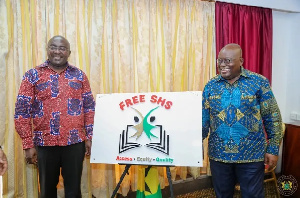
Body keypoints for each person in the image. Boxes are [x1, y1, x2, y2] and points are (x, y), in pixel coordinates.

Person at [14, 35, 95, 198]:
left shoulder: (80, 76)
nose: (57, 51)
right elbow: (22, 111)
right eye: (53, 47)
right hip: (44, 144)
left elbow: (89, 108)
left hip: (74, 142)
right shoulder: (32, 75)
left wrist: (90, 137)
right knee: (46, 191)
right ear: (47, 49)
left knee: (73, 191)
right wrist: (27, 144)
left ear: (69, 52)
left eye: (62, 48)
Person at [202, 43, 283, 198]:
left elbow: (272, 116)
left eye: (227, 61)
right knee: (222, 195)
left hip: (251, 155)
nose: (222, 65)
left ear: (241, 61)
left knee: (252, 195)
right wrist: (194, 144)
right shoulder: (211, 85)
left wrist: (272, 149)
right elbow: (203, 119)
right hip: (219, 155)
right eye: (220, 61)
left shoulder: (258, 82)